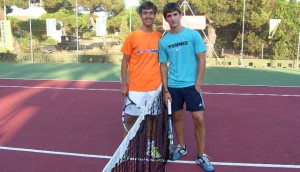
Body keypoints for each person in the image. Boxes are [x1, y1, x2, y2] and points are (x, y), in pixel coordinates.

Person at [159, 2, 214, 172]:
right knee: (176, 117)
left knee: (199, 119)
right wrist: (166, 90)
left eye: (175, 14)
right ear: (166, 19)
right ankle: (181, 147)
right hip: (173, 87)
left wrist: (197, 84)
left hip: (191, 87)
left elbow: (202, 60)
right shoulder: (164, 41)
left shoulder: (193, 35)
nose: (172, 18)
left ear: (179, 15)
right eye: (169, 16)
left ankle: (201, 155)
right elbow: (162, 65)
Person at [120, 1, 162, 159]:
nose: (148, 16)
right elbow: (125, 61)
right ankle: (125, 149)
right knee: (130, 119)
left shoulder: (159, 37)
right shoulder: (132, 37)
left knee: (153, 119)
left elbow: (163, 62)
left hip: (154, 88)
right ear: (141, 15)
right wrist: (124, 84)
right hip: (135, 88)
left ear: (154, 15)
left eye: (151, 13)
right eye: (145, 13)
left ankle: (150, 148)